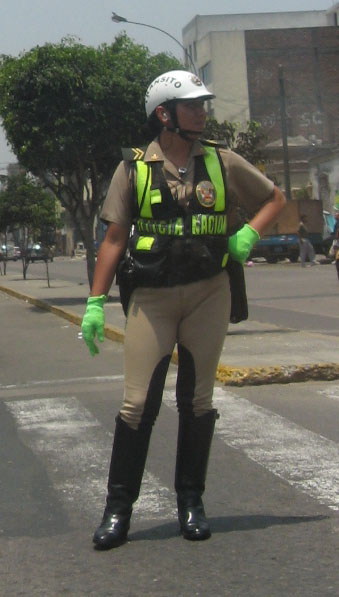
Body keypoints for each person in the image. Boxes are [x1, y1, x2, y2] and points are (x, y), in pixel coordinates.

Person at [81, 70, 286, 550]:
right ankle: (117, 511)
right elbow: (113, 238)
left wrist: (248, 234)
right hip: (151, 298)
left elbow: (274, 198)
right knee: (137, 405)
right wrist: (95, 301)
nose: (203, 111)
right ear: (164, 114)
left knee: (198, 402)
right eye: (192, 105)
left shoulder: (221, 160)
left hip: (208, 293)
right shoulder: (133, 169)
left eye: (203, 103)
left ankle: (191, 502)